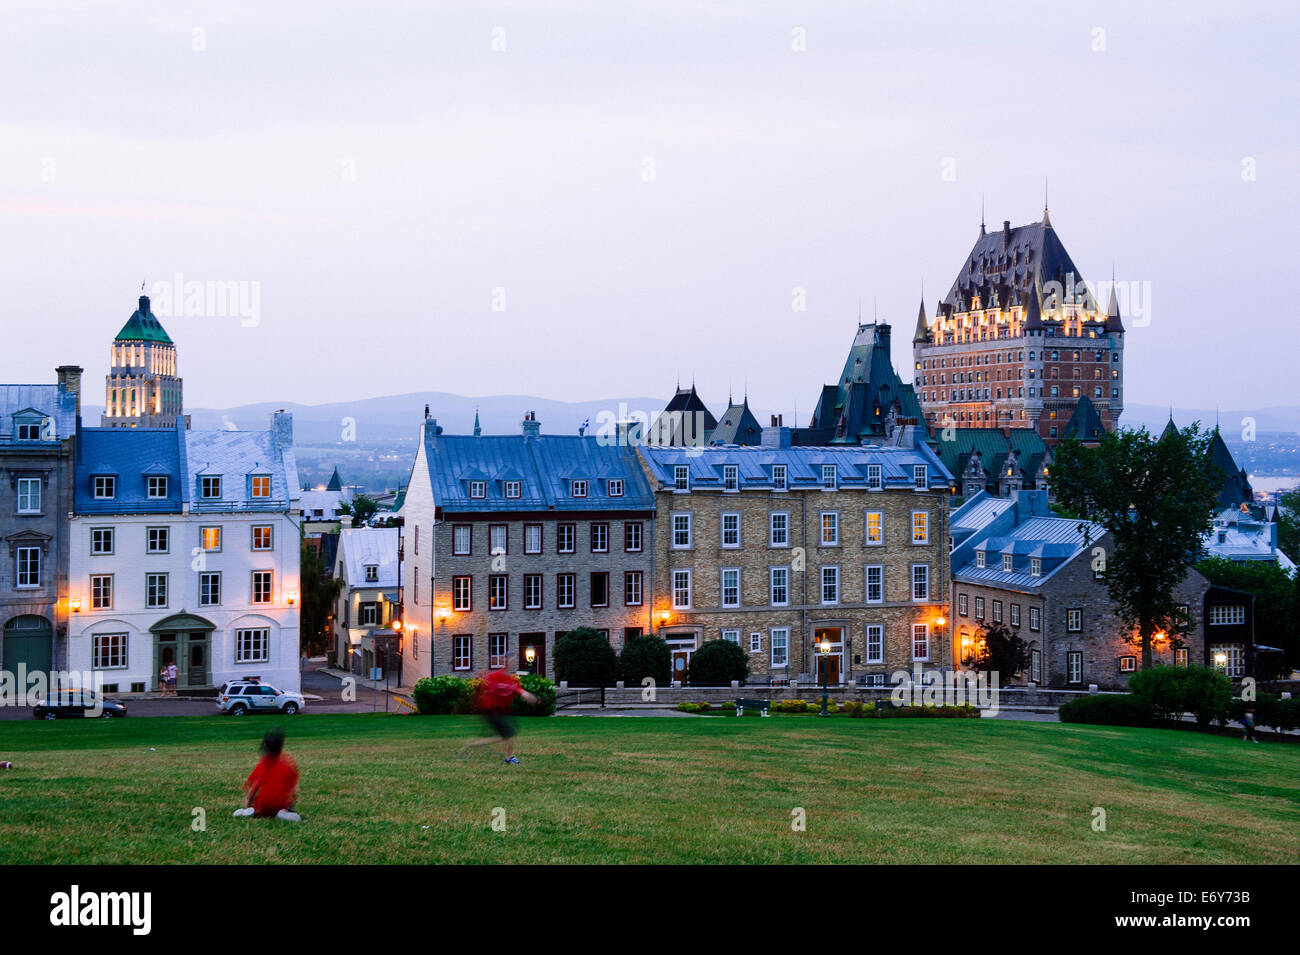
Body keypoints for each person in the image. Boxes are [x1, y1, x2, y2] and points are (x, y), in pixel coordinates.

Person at [457, 670, 538, 764]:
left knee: (506, 735)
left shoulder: (512, 681)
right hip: (490, 711)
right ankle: (508, 758)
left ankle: (507, 757)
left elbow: (521, 691)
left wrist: (529, 697)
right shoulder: (496, 677)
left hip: (499, 712)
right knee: (507, 735)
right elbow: (489, 685)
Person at [233, 728, 301, 821]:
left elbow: (252, 790)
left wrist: (247, 805)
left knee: (254, 810)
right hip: (280, 806)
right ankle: (284, 813)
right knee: (287, 812)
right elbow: (293, 791)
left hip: (262, 808)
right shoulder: (288, 767)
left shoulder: (262, 766)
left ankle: (248, 812)